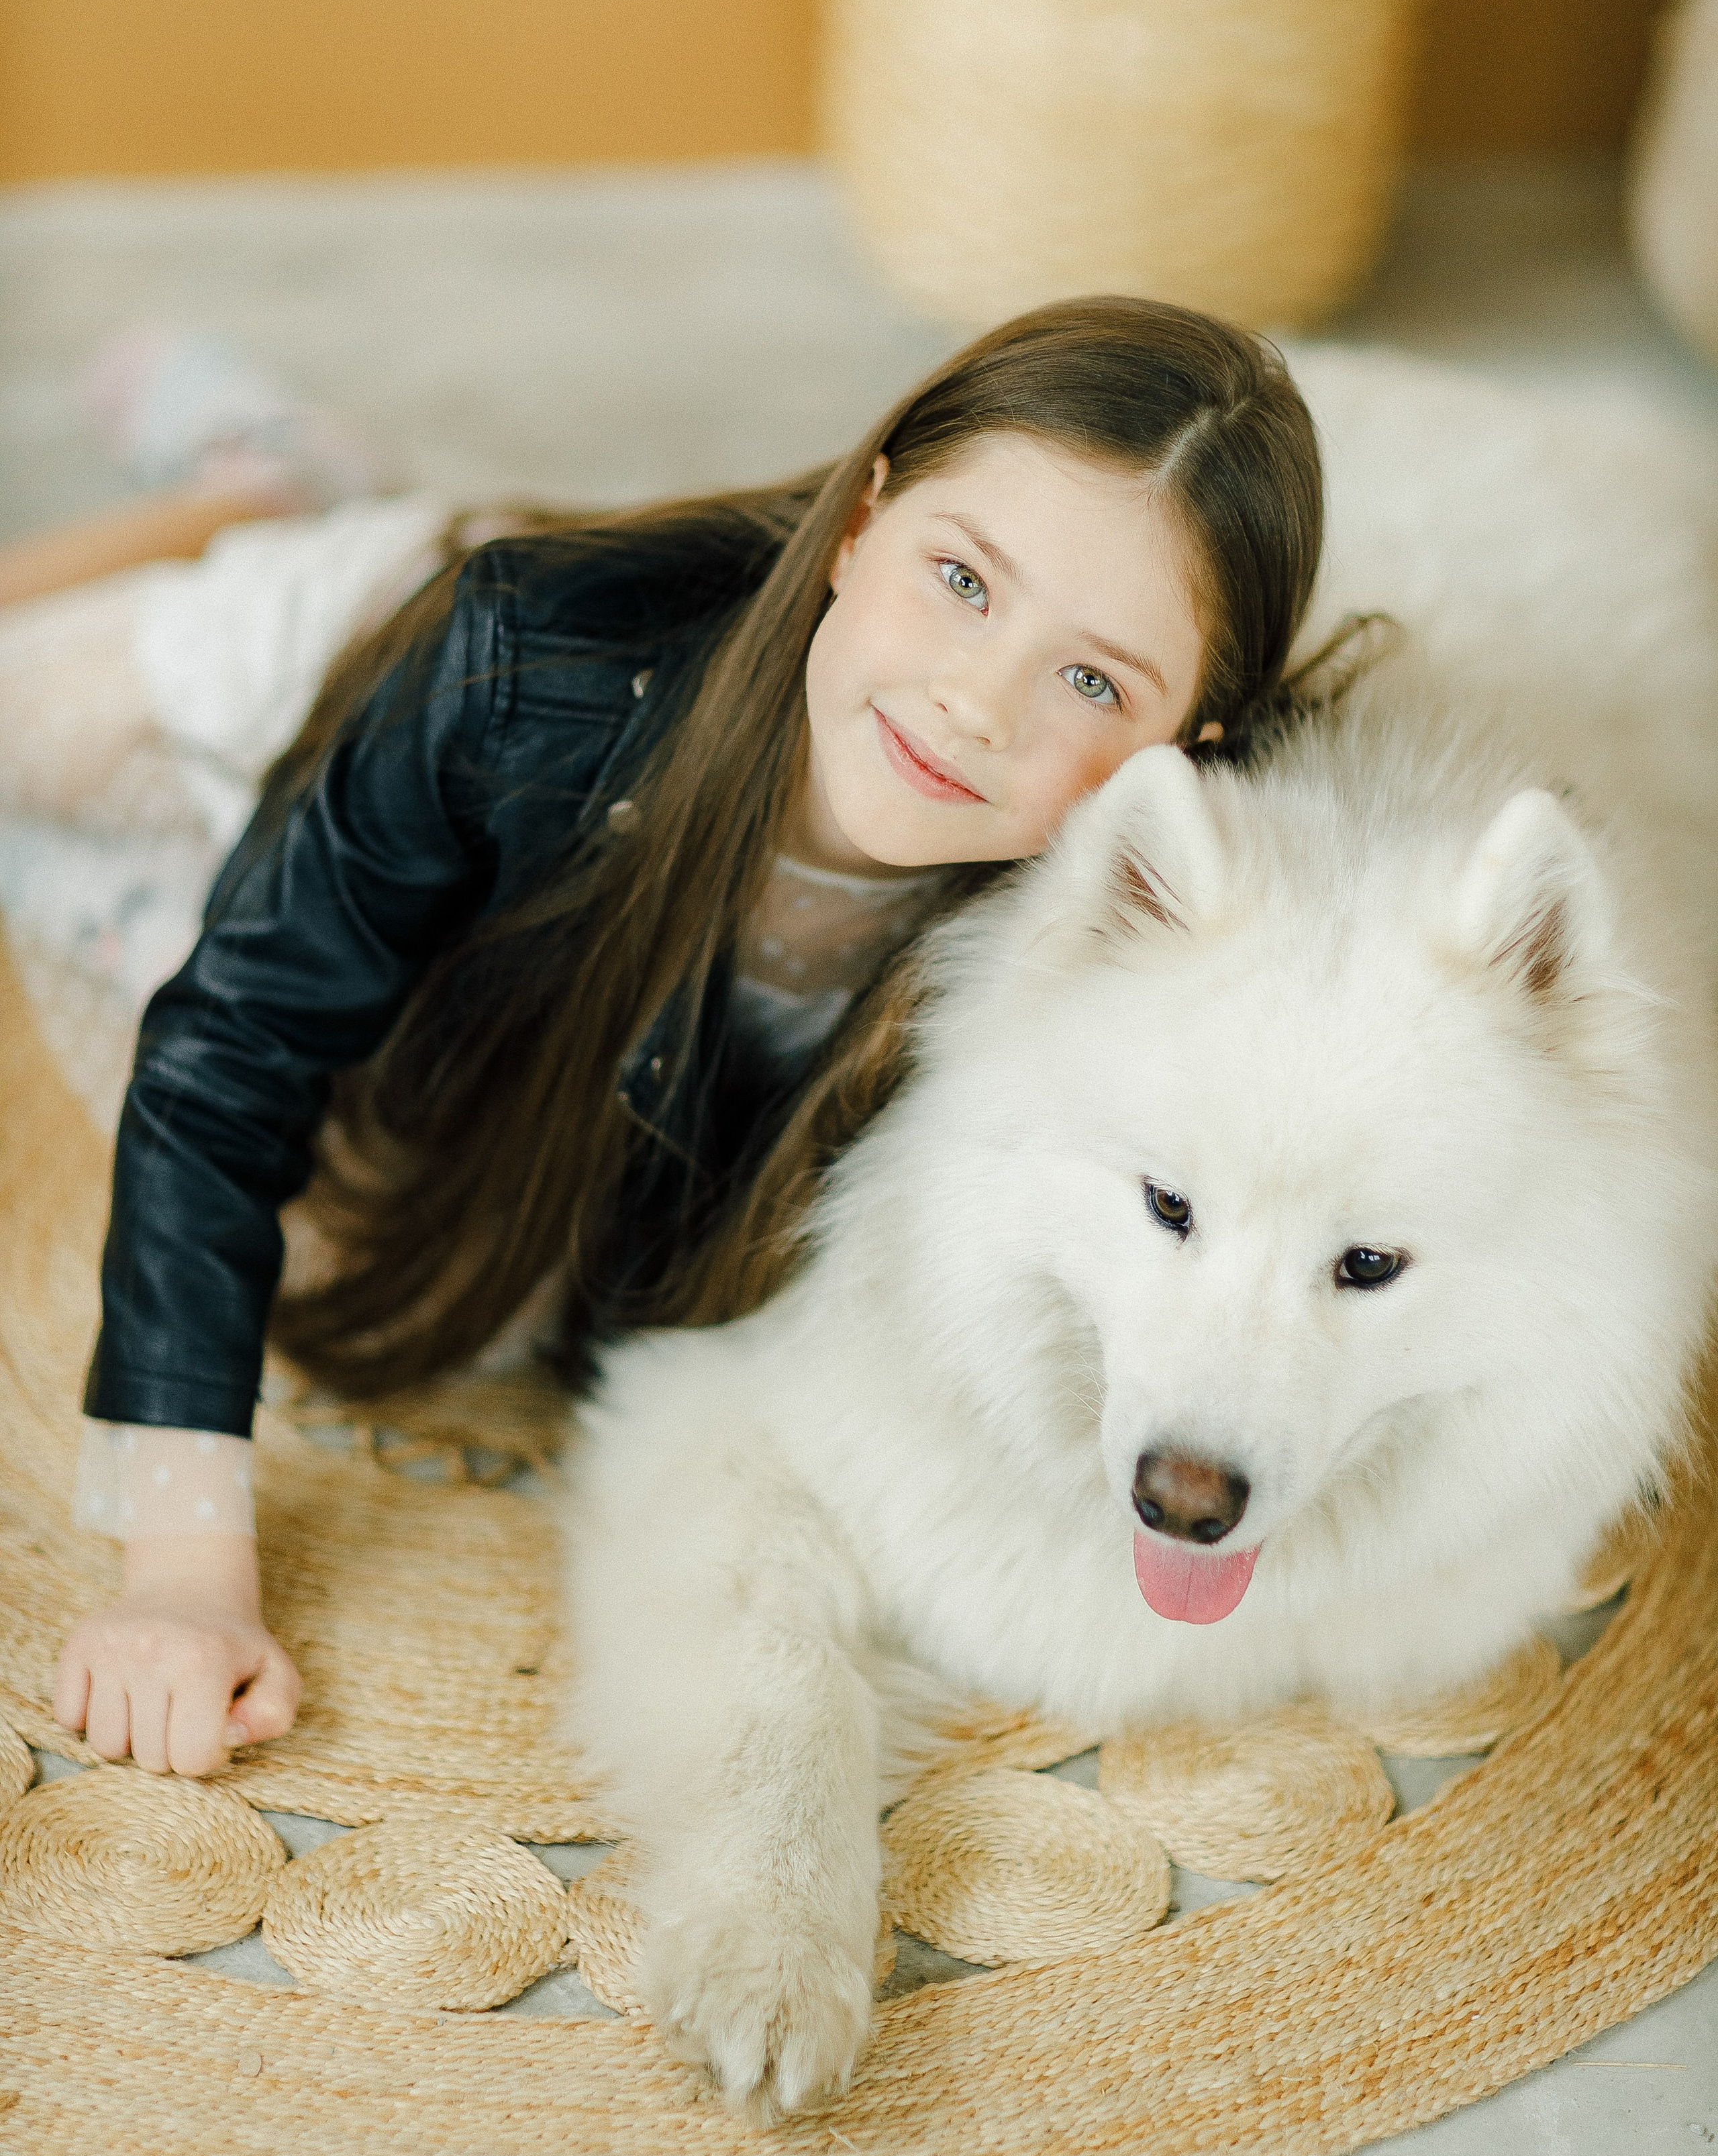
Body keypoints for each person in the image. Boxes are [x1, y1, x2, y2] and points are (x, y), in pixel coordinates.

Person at [17, 296, 1323, 1779]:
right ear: (858, 518)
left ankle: (281, 506)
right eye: (960, 579)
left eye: (1090, 680)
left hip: (448, 966)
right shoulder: (516, 659)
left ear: (1187, 751)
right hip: (370, 655)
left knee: (77, 893)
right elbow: (236, 1046)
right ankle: (256, 495)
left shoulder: (1132, 932)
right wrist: (183, 1579)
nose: (975, 700)